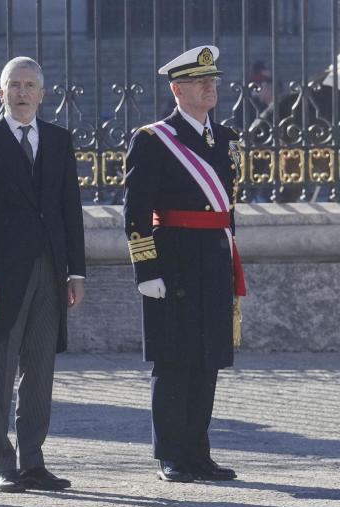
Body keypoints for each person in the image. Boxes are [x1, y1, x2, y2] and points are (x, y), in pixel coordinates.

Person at [0, 57, 86, 493]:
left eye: (30, 85)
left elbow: (70, 210)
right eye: (14, 85)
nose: (22, 93)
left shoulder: (58, 140)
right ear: (1, 93)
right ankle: (2, 463)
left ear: (42, 94)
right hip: (3, 277)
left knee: (40, 368)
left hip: (50, 271)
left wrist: (77, 272)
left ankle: (32, 460)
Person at [123, 45, 246, 483]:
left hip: (213, 260)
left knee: (207, 359)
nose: (210, 87)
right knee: (173, 360)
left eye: (213, 80)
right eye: (199, 82)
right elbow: (136, 211)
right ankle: (171, 455)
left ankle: (198, 452)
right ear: (177, 90)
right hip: (173, 262)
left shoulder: (227, 139)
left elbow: (227, 209)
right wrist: (146, 270)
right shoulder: (154, 139)